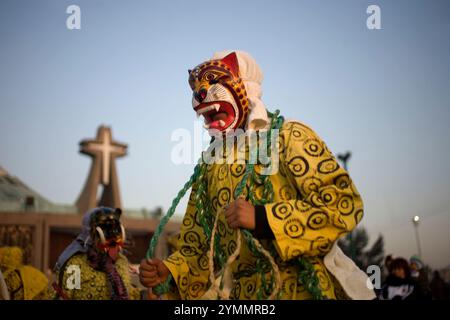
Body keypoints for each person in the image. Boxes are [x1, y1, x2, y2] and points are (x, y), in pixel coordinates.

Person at [140, 51, 374, 300]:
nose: (201, 93)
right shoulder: (211, 165)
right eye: (196, 87)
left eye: (214, 81)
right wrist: (171, 270)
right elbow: (200, 243)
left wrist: (262, 218)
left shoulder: (288, 136)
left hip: (303, 288)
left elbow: (343, 203)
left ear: (245, 87)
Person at [51, 207, 141, 299]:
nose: (112, 233)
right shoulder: (75, 266)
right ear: (90, 234)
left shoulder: (121, 261)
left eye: (115, 227)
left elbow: (129, 291)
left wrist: (146, 295)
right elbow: (62, 296)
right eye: (106, 229)